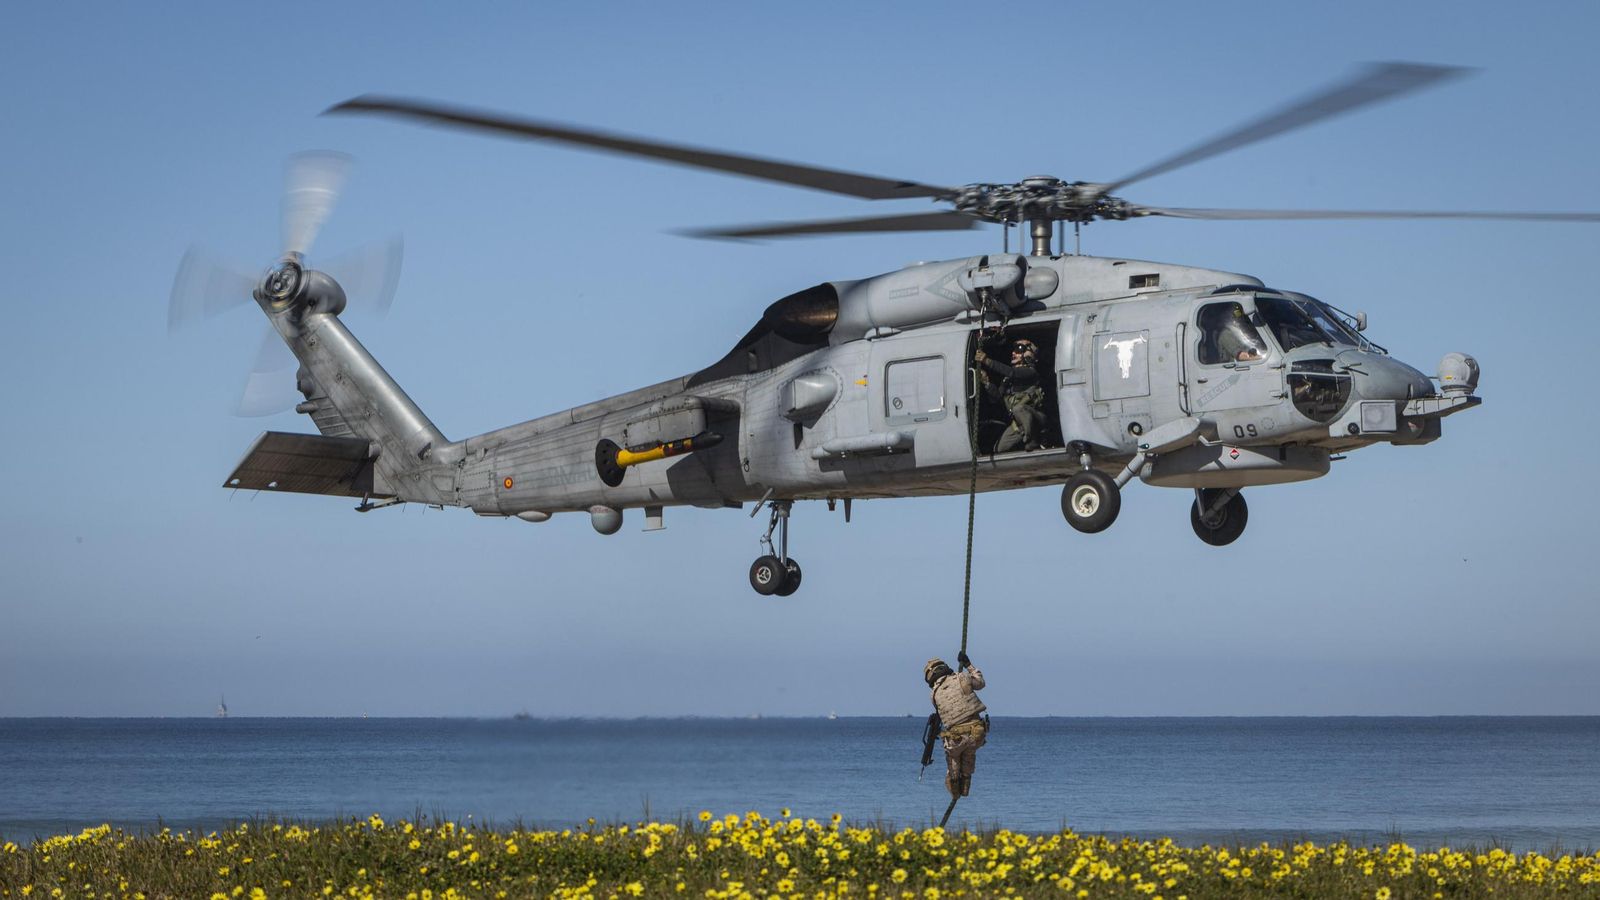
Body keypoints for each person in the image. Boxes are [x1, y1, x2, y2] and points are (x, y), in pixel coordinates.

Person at [924, 652, 988, 800]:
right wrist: (968, 665)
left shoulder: (933, 695)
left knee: (953, 760)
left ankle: (955, 786)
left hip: (956, 739)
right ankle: (965, 783)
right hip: (976, 733)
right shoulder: (961, 677)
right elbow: (980, 683)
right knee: (969, 754)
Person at [974, 339, 1044, 452]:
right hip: (1019, 423)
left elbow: (1012, 372)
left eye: (1019, 349)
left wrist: (987, 361)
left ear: (1029, 354)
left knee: (1019, 408)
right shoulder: (1008, 379)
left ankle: (1033, 439)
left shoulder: (1030, 372)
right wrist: (987, 382)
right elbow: (997, 397)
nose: (1013, 353)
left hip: (1036, 418)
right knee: (999, 448)